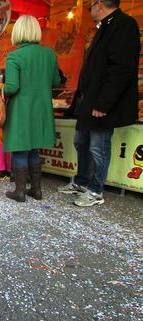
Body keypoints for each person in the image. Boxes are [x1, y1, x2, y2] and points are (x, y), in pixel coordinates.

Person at [58, 0, 140, 207]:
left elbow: (121, 69)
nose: (90, 10)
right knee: (80, 141)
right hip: (89, 99)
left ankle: (96, 190)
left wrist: (104, 103)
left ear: (100, 4)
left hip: (103, 102)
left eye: (90, 5)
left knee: (99, 146)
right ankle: (82, 181)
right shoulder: (106, 26)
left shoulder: (124, 25)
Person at [3, 15, 61, 202]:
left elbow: (12, 87)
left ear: (18, 32)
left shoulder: (15, 55)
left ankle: (19, 191)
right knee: (34, 150)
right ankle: (36, 190)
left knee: (20, 149)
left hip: (22, 108)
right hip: (42, 108)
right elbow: (56, 81)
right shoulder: (49, 54)